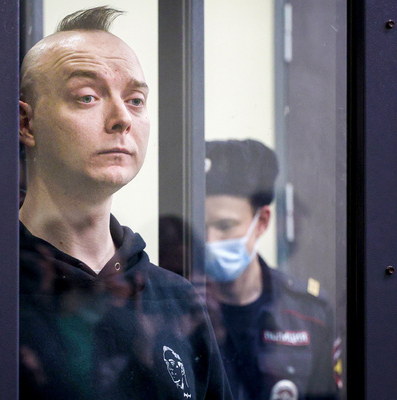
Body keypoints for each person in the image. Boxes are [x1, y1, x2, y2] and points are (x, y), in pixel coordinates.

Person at [18, 7, 230, 400]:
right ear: (27, 124)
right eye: (87, 97)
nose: (121, 119)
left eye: (135, 100)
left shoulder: (176, 300)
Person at [203, 139, 338, 400]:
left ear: (262, 222)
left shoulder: (309, 313)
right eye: (202, 226)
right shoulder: (179, 305)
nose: (210, 240)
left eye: (225, 226)